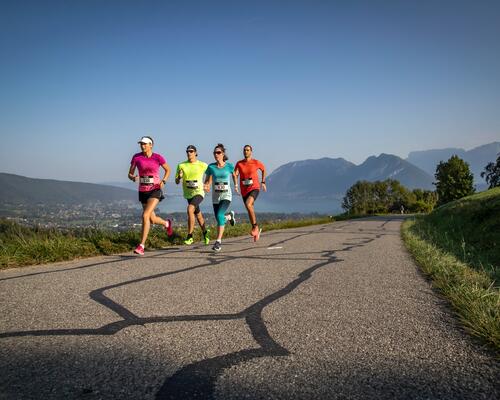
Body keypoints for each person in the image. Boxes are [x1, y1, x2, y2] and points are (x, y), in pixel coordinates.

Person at [128, 136, 173, 255]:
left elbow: (168, 170)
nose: (142, 146)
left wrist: (163, 181)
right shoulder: (136, 157)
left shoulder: (157, 157)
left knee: (145, 215)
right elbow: (130, 173)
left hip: (155, 189)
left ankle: (141, 245)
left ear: (151, 145)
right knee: (152, 219)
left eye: (145, 144)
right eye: (141, 144)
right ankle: (166, 223)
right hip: (143, 191)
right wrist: (132, 177)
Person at [204, 144, 236, 252]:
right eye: (214, 153)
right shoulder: (211, 167)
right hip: (215, 197)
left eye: (218, 153)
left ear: (223, 154)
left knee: (219, 215)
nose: (216, 154)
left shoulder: (229, 166)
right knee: (219, 218)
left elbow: (234, 175)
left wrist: (236, 185)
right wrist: (206, 185)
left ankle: (218, 242)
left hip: (226, 195)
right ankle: (229, 217)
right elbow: (207, 180)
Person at [175, 145, 210, 245]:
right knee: (198, 215)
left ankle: (190, 236)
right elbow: (177, 181)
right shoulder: (181, 165)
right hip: (188, 193)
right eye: (187, 151)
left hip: (199, 192)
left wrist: (207, 183)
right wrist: (179, 177)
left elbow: (210, 172)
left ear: (195, 153)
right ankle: (205, 232)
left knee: (190, 209)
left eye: (191, 151)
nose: (189, 153)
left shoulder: (202, 165)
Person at [234, 144, 266, 241]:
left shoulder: (256, 162)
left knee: (248, 204)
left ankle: (255, 227)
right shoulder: (239, 163)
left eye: (248, 150)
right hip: (244, 190)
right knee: (249, 208)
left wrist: (263, 182)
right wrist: (235, 184)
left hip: (254, 188)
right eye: (244, 150)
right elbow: (235, 174)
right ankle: (255, 229)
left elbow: (263, 169)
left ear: (251, 152)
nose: (246, 152)